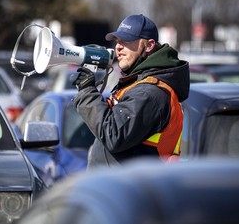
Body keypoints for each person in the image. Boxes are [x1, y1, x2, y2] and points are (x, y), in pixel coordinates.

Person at [71, 14, 190, 168]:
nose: (118, 47)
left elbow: (113, 134)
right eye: (118, 41)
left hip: (128, 188)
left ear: (149, 45)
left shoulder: (150, 93)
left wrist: (87, 91)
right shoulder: (139, 85)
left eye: (126, 41)